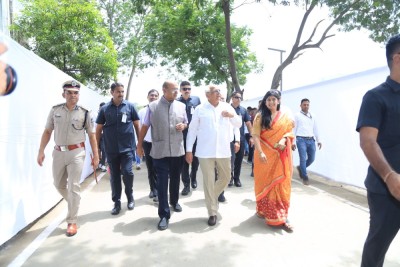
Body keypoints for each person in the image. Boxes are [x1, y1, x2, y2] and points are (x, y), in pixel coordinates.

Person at [356, 34, 400, 267]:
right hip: (386, 190)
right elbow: (368, 142)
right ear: (397, 59)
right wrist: (390, 177)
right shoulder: (375, 97)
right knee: (377, 248)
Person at [37, 80, 99, 237]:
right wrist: (41, 151)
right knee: (58, 184)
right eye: (69, 92)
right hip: (58, 152)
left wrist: (96, 156)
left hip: (76, 152)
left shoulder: (85, 113)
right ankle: (74, 201)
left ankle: (72, 221)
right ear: (63, 94)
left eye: (76, 92)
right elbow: (47, 131)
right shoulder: (55, 110)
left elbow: (92, 136)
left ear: (79, 95)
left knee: (73, 186)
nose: (73, 95)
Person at [186, 85, 241, 226]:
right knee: (208, 181)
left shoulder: (227, 107)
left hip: (223, 150)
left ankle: (211, 197)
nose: (218, 94)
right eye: (215, 92)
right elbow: (192, 130)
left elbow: (238, 124)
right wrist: (189, 150)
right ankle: (212, 212)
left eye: (219, 91)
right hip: (205, 151)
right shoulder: (200, 109)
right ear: (208, 95)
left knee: (226, 177)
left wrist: (231, 115)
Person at [137, 81, 188, 231]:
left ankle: (174, 201)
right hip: (160, 151)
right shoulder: (153, 107)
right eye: (173, 90)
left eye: (177, 90)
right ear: (164, 90)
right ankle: (164, 215)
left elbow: (186, 122)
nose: (176, 92)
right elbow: (145, 126)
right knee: (161, 183)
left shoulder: (182, 106)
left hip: (177, 150)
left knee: (175, 179)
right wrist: (139, 146)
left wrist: (184, 126)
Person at [252, 89, 295, 233]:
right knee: (264, 182)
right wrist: (260, 152)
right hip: (264, 156)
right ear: (265, 102)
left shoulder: (285, 116)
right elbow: (256, 136)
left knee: (280, 184)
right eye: (268, 99)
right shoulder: (259, 116)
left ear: (279, 101)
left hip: (280, 156)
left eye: (273, 99)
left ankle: (281, 216)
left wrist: (283, 139)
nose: (271, 102)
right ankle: (264, 210)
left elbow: (289, 132)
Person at [96, 82, 140, 215]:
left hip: (127, 148)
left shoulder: (130, 107)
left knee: (128, 173)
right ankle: (117, 202)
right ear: (112, 93)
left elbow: (137, 126)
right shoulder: (104, 109)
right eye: (118, 92)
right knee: (114, 176)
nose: (121, 94)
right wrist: (97, 148)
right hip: (111, 149)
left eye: (122, 91)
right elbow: (98, 129)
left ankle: (130, 197)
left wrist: (140, 144)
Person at [177, 81, 201, 196]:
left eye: (189, 88)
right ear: (180, 90)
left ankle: (194, 177)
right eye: (184, 88)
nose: (187, 90)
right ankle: (186, 185)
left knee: (195, 160)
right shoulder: (176, 102)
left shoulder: (196, 100)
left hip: (195, 135)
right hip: (182, 135)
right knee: (184, 162)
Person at [291, 98, 322, 185]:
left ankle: (301, 168)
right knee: (303, 158)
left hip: (311, 140)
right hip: (301, 140)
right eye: (304, 104)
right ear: (300, 105)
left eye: (307, 105)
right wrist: (293, 142)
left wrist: (319, 140)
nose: (306, 106)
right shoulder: (296, 115)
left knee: (312, 158)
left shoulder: (313, 115)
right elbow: (294, 129)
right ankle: (305, 177)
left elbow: (316, 128)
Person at [138, 89, 159, 202]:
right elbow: (140, 129)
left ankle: (160, 190)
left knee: (159, 168)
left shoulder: (161, 110)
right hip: (147, 143)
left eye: (156, 96)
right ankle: (153, 189)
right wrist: (139, 145)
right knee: (150, 168)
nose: (153, 97)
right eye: (151, 95)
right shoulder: (142, 111)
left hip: (159, 144)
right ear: (147, 97)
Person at [229, 91, 253, 187]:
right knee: (230, 160)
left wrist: (251, 136)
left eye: (240, 98)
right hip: (229, 139)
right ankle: (229, 178)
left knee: (239, 160)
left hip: (241, 139)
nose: (239, 99)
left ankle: (236, 178)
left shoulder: (243, 110)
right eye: (236, 97)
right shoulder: (227, 108)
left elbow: (248, 124)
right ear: (232, 98)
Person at [97, 102, 107, 172]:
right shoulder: (96, 115)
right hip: (97, 135)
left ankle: (102, 164)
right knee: (97, 149)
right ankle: (99, 163)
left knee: (104, 150)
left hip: (104, 136)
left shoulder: (107, 115)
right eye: (101, 108)